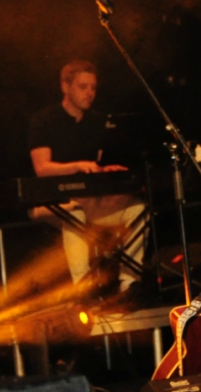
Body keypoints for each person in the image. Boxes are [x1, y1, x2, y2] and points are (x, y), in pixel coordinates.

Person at [27, 60, 146, 295]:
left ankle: (129, 283)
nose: (90, 93)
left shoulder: (98, 121)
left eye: (93, 88)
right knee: (74, 212)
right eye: (83, 87)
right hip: (52, 202)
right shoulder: (43, 120)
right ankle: (82, 289)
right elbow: (42, 168)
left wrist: (106, 170)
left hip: (89, 200)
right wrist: (78, 166)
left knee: (137, 209)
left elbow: (95, 167)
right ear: (65, 87)